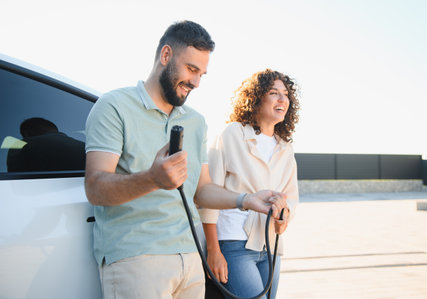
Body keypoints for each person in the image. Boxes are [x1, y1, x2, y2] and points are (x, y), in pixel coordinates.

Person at [84, 21, 287, 299]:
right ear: (166, 56)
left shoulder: (196, 121)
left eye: (202, 74)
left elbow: (201, 190)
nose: (196, 82)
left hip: (191, 259)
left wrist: (245, 200)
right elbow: (95, 188)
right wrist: (151, 179)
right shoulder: (114, 106)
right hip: (137, 258)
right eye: (192, 69)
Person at [200, 69, 300, 299]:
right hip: (235, 245)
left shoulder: (285, 148)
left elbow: (291, 198)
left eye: (285, 94)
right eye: (274, 93)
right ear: (255, 98)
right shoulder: (231, 134)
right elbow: (207, 195)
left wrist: (284, 216)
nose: (282, 99)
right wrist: (214, 250)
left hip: (271, 247)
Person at [7, 117, 85, 172]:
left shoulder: (22, 146)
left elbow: (15, 182)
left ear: (26, 133)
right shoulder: (86, 149)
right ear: (55, 129)